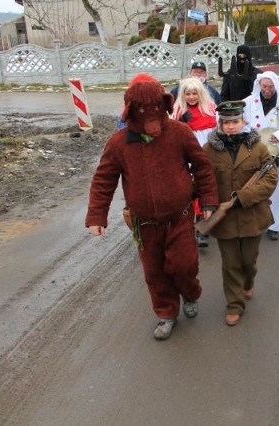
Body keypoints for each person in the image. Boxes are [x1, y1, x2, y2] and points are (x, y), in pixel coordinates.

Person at [86, 79, 218, 341]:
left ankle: (190, 293)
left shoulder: (179, 133)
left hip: (179, 216)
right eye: (145, 111)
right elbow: (104, 180)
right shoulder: (119, 143)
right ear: (132, 112)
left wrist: (207, 201)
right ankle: (166, 312)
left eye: (157, 109)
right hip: (144, 223)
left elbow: (202, 167)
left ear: (165, 106)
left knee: (183, 264)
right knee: (154, 272)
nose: (153, 119)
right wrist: (96, 216)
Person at [202, 100, 278, 326]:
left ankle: (248, 282)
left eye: (235, 121)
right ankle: (234, 305)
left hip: (252, 216)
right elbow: (203, 180)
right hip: (224, 219)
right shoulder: (208, 150)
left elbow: (271, 179)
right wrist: (207, 205)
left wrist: (243, 198)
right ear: (220, 124)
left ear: (243, 121)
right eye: (226, 122)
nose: (231, 126)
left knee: (248, 261)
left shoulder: (259, 147)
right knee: (230, 263)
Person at [243, 71, 279, 241]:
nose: (267, 90)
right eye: (264, 87)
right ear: (259, 86)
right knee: (254, 188)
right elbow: (239, 122)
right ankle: (255, 222)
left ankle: (275, 225)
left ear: (276, 86)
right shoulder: (249, 102)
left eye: (270, 87)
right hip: (254, 153)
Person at [171, 76, 219, 247]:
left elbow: (218, 129)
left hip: (209, 153)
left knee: (208, 188)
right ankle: (194, 229)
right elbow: (171, 134)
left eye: (194, 93)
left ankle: (204, 227)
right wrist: (180, 124)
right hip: (188, 156)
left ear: (200, 94)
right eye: (188, 94)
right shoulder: (177, 111)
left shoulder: (211, 108)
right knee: (192, 190)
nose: (191, 97)